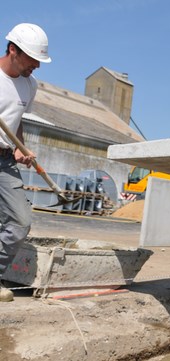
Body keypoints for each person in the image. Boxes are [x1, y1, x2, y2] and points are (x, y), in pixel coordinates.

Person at [0, 23, 51, 302]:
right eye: (33, 59)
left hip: (5, 161)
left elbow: (15, 122)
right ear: (13, 50)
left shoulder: (30, 85)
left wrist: (20, 148)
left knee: (19, 222)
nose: (37, 66)